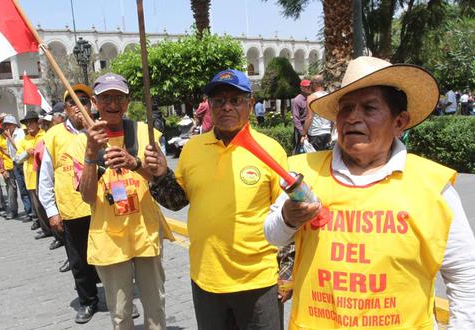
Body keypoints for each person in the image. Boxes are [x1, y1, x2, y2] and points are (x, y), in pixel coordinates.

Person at [264, 56, 475, 329]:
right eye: (346, 108)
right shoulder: (305, 173)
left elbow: (465, 276)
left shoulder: (433, 186)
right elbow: (272, 235)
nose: (353, 117)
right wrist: (288, 217)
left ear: (399, 122)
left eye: (369, 108)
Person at [144, 69, 288, 329]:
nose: (227, 107)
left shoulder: (271, 149)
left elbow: (288, 217)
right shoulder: (193, 148)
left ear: (250, 102)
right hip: (206, 279)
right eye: (219, 101)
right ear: (209, 105)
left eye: (235, 100)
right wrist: (161, 174)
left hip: (259, 280)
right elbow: (177, 202)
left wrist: (287, 275)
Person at [73, 73, 171, 330]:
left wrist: (134, 163)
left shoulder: (146, 133)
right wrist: (91, 155)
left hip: (145, 232)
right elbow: (86, 195)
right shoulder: (81, 142)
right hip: (110, 238)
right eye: (106, 98)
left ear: (127, 102)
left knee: (155, 308)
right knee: (120, 314)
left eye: (119, 97)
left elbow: (161, 180)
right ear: (95, 102)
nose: (113, 104)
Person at [38, 84, 100, 323]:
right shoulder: (53, 136)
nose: (79, 106)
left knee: (109, 257)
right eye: (74, 102)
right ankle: (88, 301)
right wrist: (52, 211)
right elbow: (46, 177)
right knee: (79, 261)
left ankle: (118, 298)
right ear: (66, 108)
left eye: (84, 101)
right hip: (72, 211)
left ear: (90, 105)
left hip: (101, 206)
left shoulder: (98, 130)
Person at [15, 112, 50, 238]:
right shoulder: (25, 139)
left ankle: (58, 232)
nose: (28, 125)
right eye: (26, 123)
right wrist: (26, 153)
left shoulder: (45, 134)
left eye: (30, 122)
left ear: (37, 123)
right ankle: (46, 230)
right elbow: (18, 159)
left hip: (46, 174)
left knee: (49, 203)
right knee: (38, 206)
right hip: (31, 176)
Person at [0, 115, 20, 220]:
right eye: (3, 124)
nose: (5, 126)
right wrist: (2, 170)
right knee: (10, 190)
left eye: (7, 123)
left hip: (18, 164)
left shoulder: (17, 134)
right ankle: (13, 211)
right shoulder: (0, 138)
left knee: (24, 190)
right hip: (8, 167)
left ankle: (31, 212)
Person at [304, 75, 332, 151]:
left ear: (315, 84)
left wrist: (304, 133)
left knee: (315, 160)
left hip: (315, 133)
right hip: (327, 133)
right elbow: (333, 117)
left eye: (311, 83)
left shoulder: (312, 97)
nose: (310, 86)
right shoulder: (329, 96)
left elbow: (309, 117)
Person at [292, 80, 312, 154]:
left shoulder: (312, 97)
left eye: (309, 86)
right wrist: (302, 132)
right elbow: (296, 118)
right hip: (301, 127)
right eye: (306, 87)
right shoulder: (297, 100)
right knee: (300, 147)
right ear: (302, 88)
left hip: (311, 127)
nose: (309, 88)